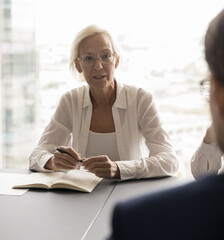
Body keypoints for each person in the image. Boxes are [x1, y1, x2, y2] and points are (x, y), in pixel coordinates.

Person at [110, 9, 224, 240]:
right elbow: (200, 172)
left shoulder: (144, 222)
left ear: (217, 93)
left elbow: (174, 163)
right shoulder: (70, 100)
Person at [29, 25, 178, 180]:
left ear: (117, 61)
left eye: (106, 56)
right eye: (88, 58)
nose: (98, 66)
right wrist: (53, 161)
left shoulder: (141, 100)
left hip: (130, 197)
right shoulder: (70, 101)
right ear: (78, 66)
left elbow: (170, 161)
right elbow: (37, 154)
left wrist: (119, 168)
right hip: (82, 198)